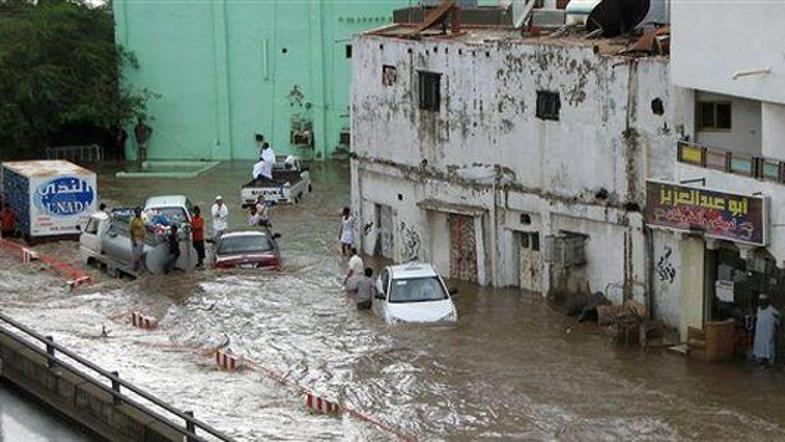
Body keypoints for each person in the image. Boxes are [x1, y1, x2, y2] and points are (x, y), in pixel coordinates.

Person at [753, 294, 780, 365]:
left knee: (768, 346)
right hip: (760, 333)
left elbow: (778, 318)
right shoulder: (758, 309)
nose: (761, 303)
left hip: (768, 333)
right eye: (760, 301)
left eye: (763, 301)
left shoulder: (771, 309)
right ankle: (760, 360)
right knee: (759, 345)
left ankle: (769, 361)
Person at [130, 206, 146, 273]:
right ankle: (135, 269)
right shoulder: (134, 221)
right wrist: (134, 241)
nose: (139, 213)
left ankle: (138, 268)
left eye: (140, 211)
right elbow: (131, 231)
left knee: (140, 254)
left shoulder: (141, 219)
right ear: (136, 213)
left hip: (141, 238)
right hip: (136, 239)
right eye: (138, 212)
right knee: (137, 255)